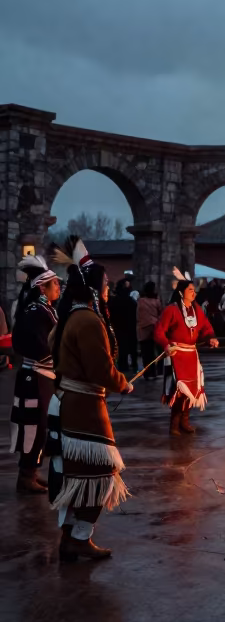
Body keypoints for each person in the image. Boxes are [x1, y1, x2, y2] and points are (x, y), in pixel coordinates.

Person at [46, 238, 132, 561]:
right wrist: (122, 384)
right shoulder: (88, 322)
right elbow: (101, 369)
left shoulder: (71, 316)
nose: (109, 287)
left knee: (75, 475)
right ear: (95, 289)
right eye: (106, 283)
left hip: (70, 403)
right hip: (84, 410)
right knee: (101, 475)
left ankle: (71, 538)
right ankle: (79, 537)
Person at [9, 255, 61, 493]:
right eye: (55, 284)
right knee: (33, 425)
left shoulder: (44, 309)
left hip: (43, 377)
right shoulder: (35, 310)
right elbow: (37, 345)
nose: (59, 287)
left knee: (41, 425)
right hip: (34, 377)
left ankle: (32, 472)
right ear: (42, 287)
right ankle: (26, 475)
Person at [154, 270, 219, 435]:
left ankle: (185, 421)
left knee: (192, 389)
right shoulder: (171, 310)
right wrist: (166, 345)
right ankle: (174, 425)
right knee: (179, 390)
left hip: (191, 355)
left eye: (194, 290)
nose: (194, 292)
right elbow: (159, 331)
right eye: (190, 290)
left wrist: (211, 337)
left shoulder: (197, 309)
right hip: (176, 355)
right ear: (181, 293)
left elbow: (206, 327)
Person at [109, 278, 138, 374]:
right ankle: (133, 365)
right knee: (131, 347)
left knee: (122, 347)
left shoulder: (114, 300)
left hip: (119, 327)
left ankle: (123, 365)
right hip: (129, 326)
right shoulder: (130, 301)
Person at [136, 281, 163, 380]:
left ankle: (148, 372)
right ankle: (157, 371)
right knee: (157, 351)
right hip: (155, 327)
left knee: (146, 353)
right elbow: (161, 313)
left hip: (143, 329)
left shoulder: (140, 301)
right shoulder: (156, 301)